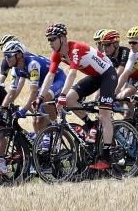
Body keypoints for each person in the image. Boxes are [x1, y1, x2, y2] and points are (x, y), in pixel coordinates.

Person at [37, 23, 118, 170]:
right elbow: (50, 76)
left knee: (103, 115)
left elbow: (72, 74)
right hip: (95, 77)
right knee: (70, 99)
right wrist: (41, 97)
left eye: (53, 39)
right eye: (48, 40)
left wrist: (61, 95)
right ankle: (90, 125)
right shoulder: (57, 54)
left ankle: (106, 158)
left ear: (63, 38)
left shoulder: (75, 49)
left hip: (107, 75)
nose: (50, 43)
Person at [0, 40, 64, 135]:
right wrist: (2, 109)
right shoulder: (15, 69)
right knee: (38, 121)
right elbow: (11, 92)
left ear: (18, 55)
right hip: (43, 84)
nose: (6, 59)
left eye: (8, 56)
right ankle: (42, 141)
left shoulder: (32, 64)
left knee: (45, 97)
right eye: (4, 56)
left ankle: (54, 129)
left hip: (57, 79)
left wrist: (24, 110)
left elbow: (33, 92)